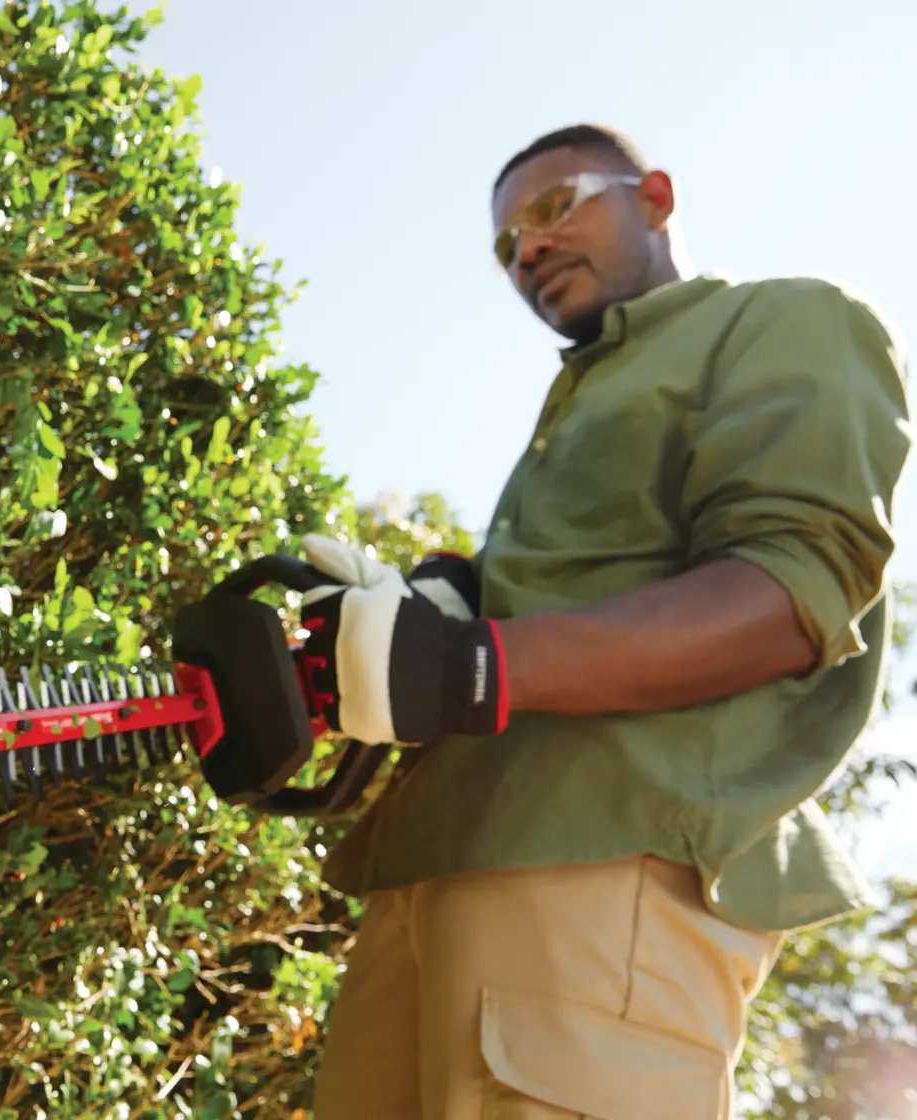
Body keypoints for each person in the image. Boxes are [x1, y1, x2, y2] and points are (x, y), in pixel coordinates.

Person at [300, 124, 911, 1118]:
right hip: (433, 868)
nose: (527, 249)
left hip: (610, 857)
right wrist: (437, 611)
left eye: (552, 207)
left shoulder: (786, 319)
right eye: (506, 246)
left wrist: (478, 663)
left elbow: (783, 593)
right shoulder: (576, 407)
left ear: (655, 197)